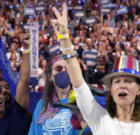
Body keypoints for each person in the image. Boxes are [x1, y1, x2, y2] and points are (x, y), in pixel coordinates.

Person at [52, 4, 140, 135]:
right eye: (117, 81)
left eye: (128, 81)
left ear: (139, 89)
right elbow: (78, 82)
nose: (122, 85)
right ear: (111, 89)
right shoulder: (99, 118)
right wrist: (64, 38)